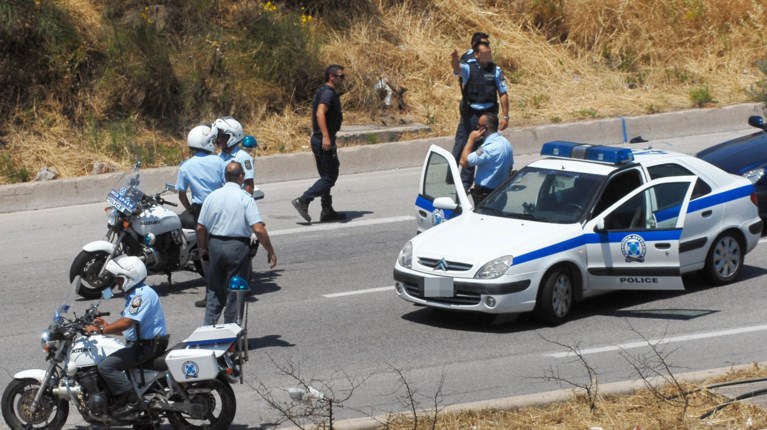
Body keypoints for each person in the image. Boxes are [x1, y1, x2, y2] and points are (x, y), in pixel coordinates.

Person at [84, 256, 168, 417]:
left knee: (106, 366)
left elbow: (126, 323)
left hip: (147, 346)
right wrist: (106, 327)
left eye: (119, 278)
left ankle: (134, 402)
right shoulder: (136, 294)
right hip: (142, 343)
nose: (116, 282)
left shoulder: (140, 296)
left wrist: (99, 331)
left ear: (130, 278)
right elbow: (128, 329)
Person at [196, 161, 277, 325]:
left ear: (225, 177)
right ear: (241, 177)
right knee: (235, 291)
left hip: (215, 245)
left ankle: (207, 332)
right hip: (237, 248)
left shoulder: (212, 196)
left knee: (214, 291)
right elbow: (259, 229)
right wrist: (270, 251)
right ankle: (231, 336)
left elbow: (200, 227)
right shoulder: (245, 198)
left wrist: (204, 248)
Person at [176, 124, 226, 308]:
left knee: (205, 252)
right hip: (220, 206)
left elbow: (181, 194)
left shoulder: (186, 166)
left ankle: (211, 294)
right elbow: (226, 183)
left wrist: (190, 208)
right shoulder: (219, 161)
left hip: (201, 211)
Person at [451, 40, 510, 191]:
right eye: (484, 53)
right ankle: (465, 185)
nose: (487, 55)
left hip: (490, 114)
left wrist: (505, 116)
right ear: (476, 55)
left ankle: (491, 183)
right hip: (472, 115)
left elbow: (503, 93)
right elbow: (457, 70)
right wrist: (455, 60)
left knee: (491, 147)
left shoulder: (496, 70)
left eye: (488, 53)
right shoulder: (469, 68)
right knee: (469, 146)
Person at [291, 64, 347, 224]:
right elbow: (320, 112)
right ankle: (303, 200)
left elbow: (317, 114)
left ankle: (327, 210)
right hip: (323, 139)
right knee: (330, 176)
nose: (343, 79)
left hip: (319, 137)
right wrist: (325, 136)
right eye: (341, 76)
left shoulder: (323, 91)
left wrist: (315, 131)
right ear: (332, 77)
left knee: (325, 175)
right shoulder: (328, 93)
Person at [459, 112, 514, 205]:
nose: (477, 127)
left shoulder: (487, 149)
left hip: (487, 197)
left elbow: (464, 161)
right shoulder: (506, 143)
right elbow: (510, 167)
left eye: (479, 125)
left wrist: (470, 139)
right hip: (501, 194)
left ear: (485, 128)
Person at [215, 116, 257, 196]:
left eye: (223, 136)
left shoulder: (242, 157)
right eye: (218, 136)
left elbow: (249, 186)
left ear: (233, 137)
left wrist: (241, 203)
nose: (219, 140)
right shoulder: (219, 157)